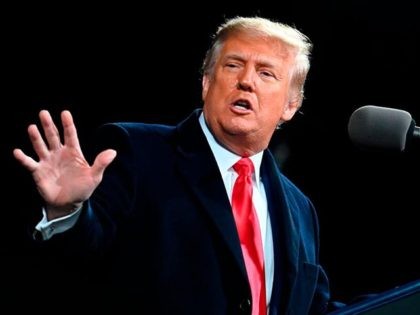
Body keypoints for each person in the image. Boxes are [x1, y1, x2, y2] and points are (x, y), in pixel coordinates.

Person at [14, 16, 341, 314]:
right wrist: (68, 213)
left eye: (266, 73)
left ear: (290, 104)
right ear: (206, 83)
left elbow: (315, 307)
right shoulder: (138, 152)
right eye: (233, 66)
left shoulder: (300, 208)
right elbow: (85, 257)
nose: (246, 81)